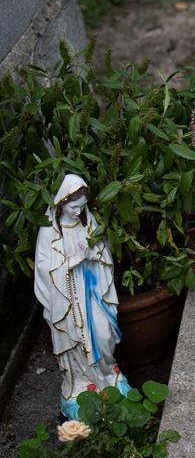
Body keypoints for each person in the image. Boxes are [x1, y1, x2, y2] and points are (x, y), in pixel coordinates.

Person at [34, 174, 130, 419]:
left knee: (102, 332)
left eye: (82, 206)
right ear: (61, 203)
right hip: (67, 299)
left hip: (91, 289)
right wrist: (74, 260)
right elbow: (44, 268)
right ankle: (80, 386)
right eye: (73, 206)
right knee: (75, 339)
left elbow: (102, 249)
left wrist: (95, 253)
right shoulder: (49, 230)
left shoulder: (87, 221)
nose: (78, 211)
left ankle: (108, 376)